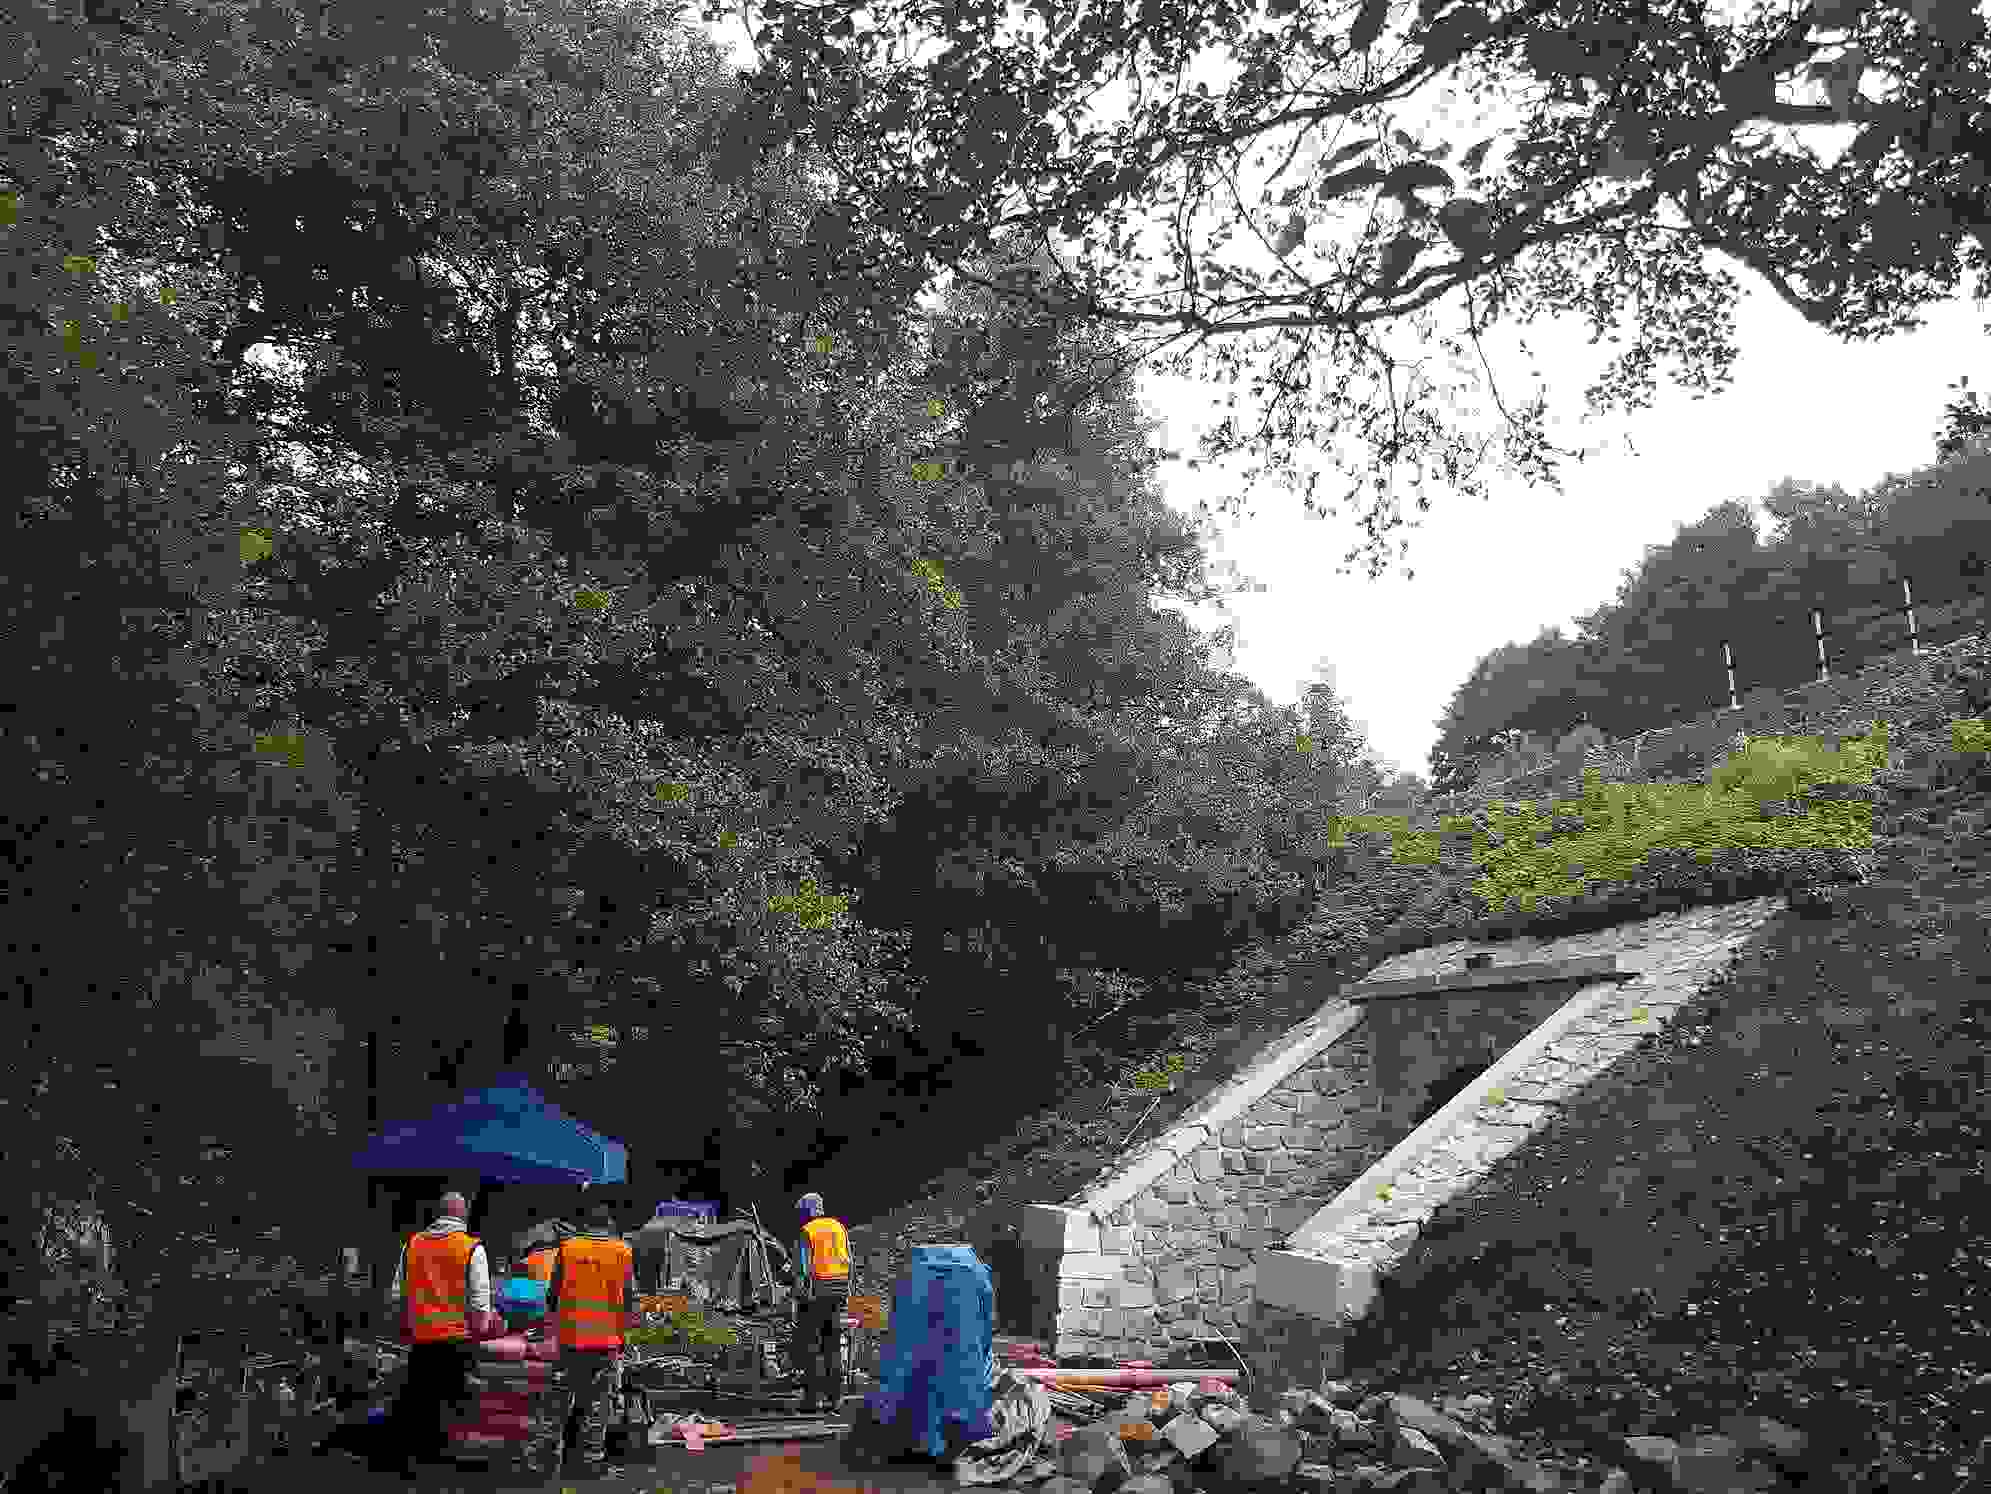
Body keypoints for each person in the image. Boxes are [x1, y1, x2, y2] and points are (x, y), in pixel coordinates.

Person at [379, 1191, 500, 1475]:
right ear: (463, 1214)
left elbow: (397, 1294)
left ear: (438, 1213)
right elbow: (480, 1300)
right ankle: (444, 1463)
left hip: (420, 1338)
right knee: (453, 1401)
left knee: (421, 1399)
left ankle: (414, 1459)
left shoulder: (413, 1244)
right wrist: (481, 1334)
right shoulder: (472, 1248)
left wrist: (403, 1325)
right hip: (457, 1339)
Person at [543, 1198, 638, 1474]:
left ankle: (550, 1462)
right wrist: (627, 1336)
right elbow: (631, 1299)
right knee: (599, 1404)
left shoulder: (568, 1248)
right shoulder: (623, 1251)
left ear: (585, 1225)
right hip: (607, 1340)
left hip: (571, 1338)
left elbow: (553, 1294)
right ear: (609, 1225)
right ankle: (591, 1460)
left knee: (559, 1402)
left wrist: (552, 1325)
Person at [792, 1192, 851, 1415]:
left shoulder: (807, 1232)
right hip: (837, 1293)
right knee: (832, 1346)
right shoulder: (838, 1227)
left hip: (814, 1294)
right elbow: (849, 1261)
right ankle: (835, 1401)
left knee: (811, 1348)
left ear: (806, 1211)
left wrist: (796, 1297)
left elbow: (802, 1270)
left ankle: (811, 1402)